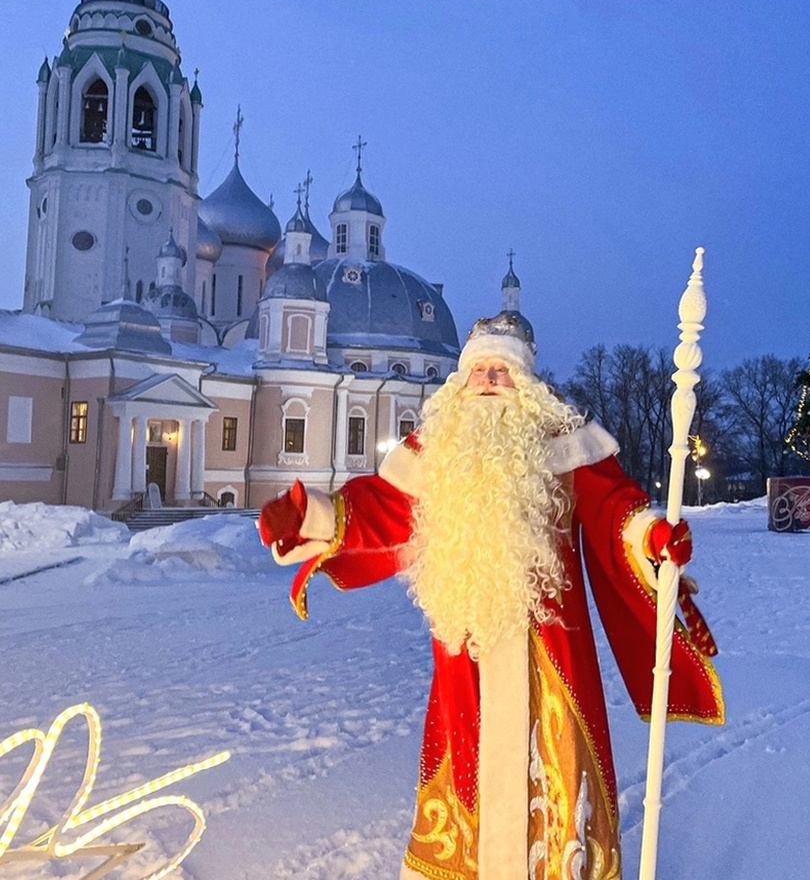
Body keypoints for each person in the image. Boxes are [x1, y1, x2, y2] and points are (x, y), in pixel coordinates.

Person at [258, 311, 723, 880]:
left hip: (551, 650)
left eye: (500, 371)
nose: (487, 381)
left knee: (558, 766)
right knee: (464, 761)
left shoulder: (563, 445)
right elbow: (381, 509)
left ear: (526, 382)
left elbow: (613, 510)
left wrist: (651, 535)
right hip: (466, 648)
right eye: (477, 370)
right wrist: (313, 515)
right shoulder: (436, 451)